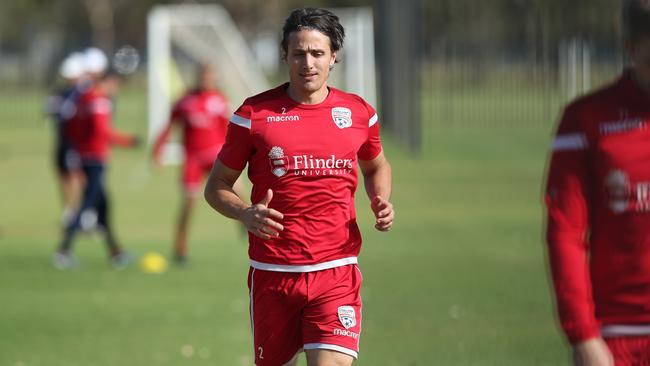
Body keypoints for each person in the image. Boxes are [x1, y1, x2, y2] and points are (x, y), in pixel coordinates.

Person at [204, 8, 394, 366]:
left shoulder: (358, 114)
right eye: (299, 53)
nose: (308, 63)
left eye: (317, 53)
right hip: (274, 275)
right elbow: (216, 186)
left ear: (334, 56)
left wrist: (380, 198)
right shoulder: (253, 115)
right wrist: (245, 213)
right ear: (285, 56)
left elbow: (376, 165)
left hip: (336, 270)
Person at [545, 1, 650, 365]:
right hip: (614, 337)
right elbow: (566, 232)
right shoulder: (586, 119)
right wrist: (583, 335)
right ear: (631, 46)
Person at [53, 70, 140, 270]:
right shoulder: (100, 101)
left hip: (83, 157)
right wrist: (129, 141)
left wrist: (78, 146)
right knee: (87, 206)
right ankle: (63, 251)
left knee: (104, 206)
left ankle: (116, 252)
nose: (116, 91)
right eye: (116, 86)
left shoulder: (83, 98)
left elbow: (70, 126)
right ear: (109, 82)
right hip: (95, 160)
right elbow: (103, 131)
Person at [152, 64, 231, 263]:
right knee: (188, 205)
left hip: (215, 155)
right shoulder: (185, 101)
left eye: (210, 77)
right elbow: (169, 125)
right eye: (203, 76)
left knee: (237, 192)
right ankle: (180, 247)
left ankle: (250, 232)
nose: (207, 81)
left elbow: (231, 130)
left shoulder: (219, 100)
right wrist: (158, 150)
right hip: (193, 159)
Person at [46, 52, 87, 225]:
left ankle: (81, 211)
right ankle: (70, 210)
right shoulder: (61, 93)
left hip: (76, 142)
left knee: (75, 175)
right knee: (63, 174)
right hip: (62, 140)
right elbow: (52, 112)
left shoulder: (83, 94)